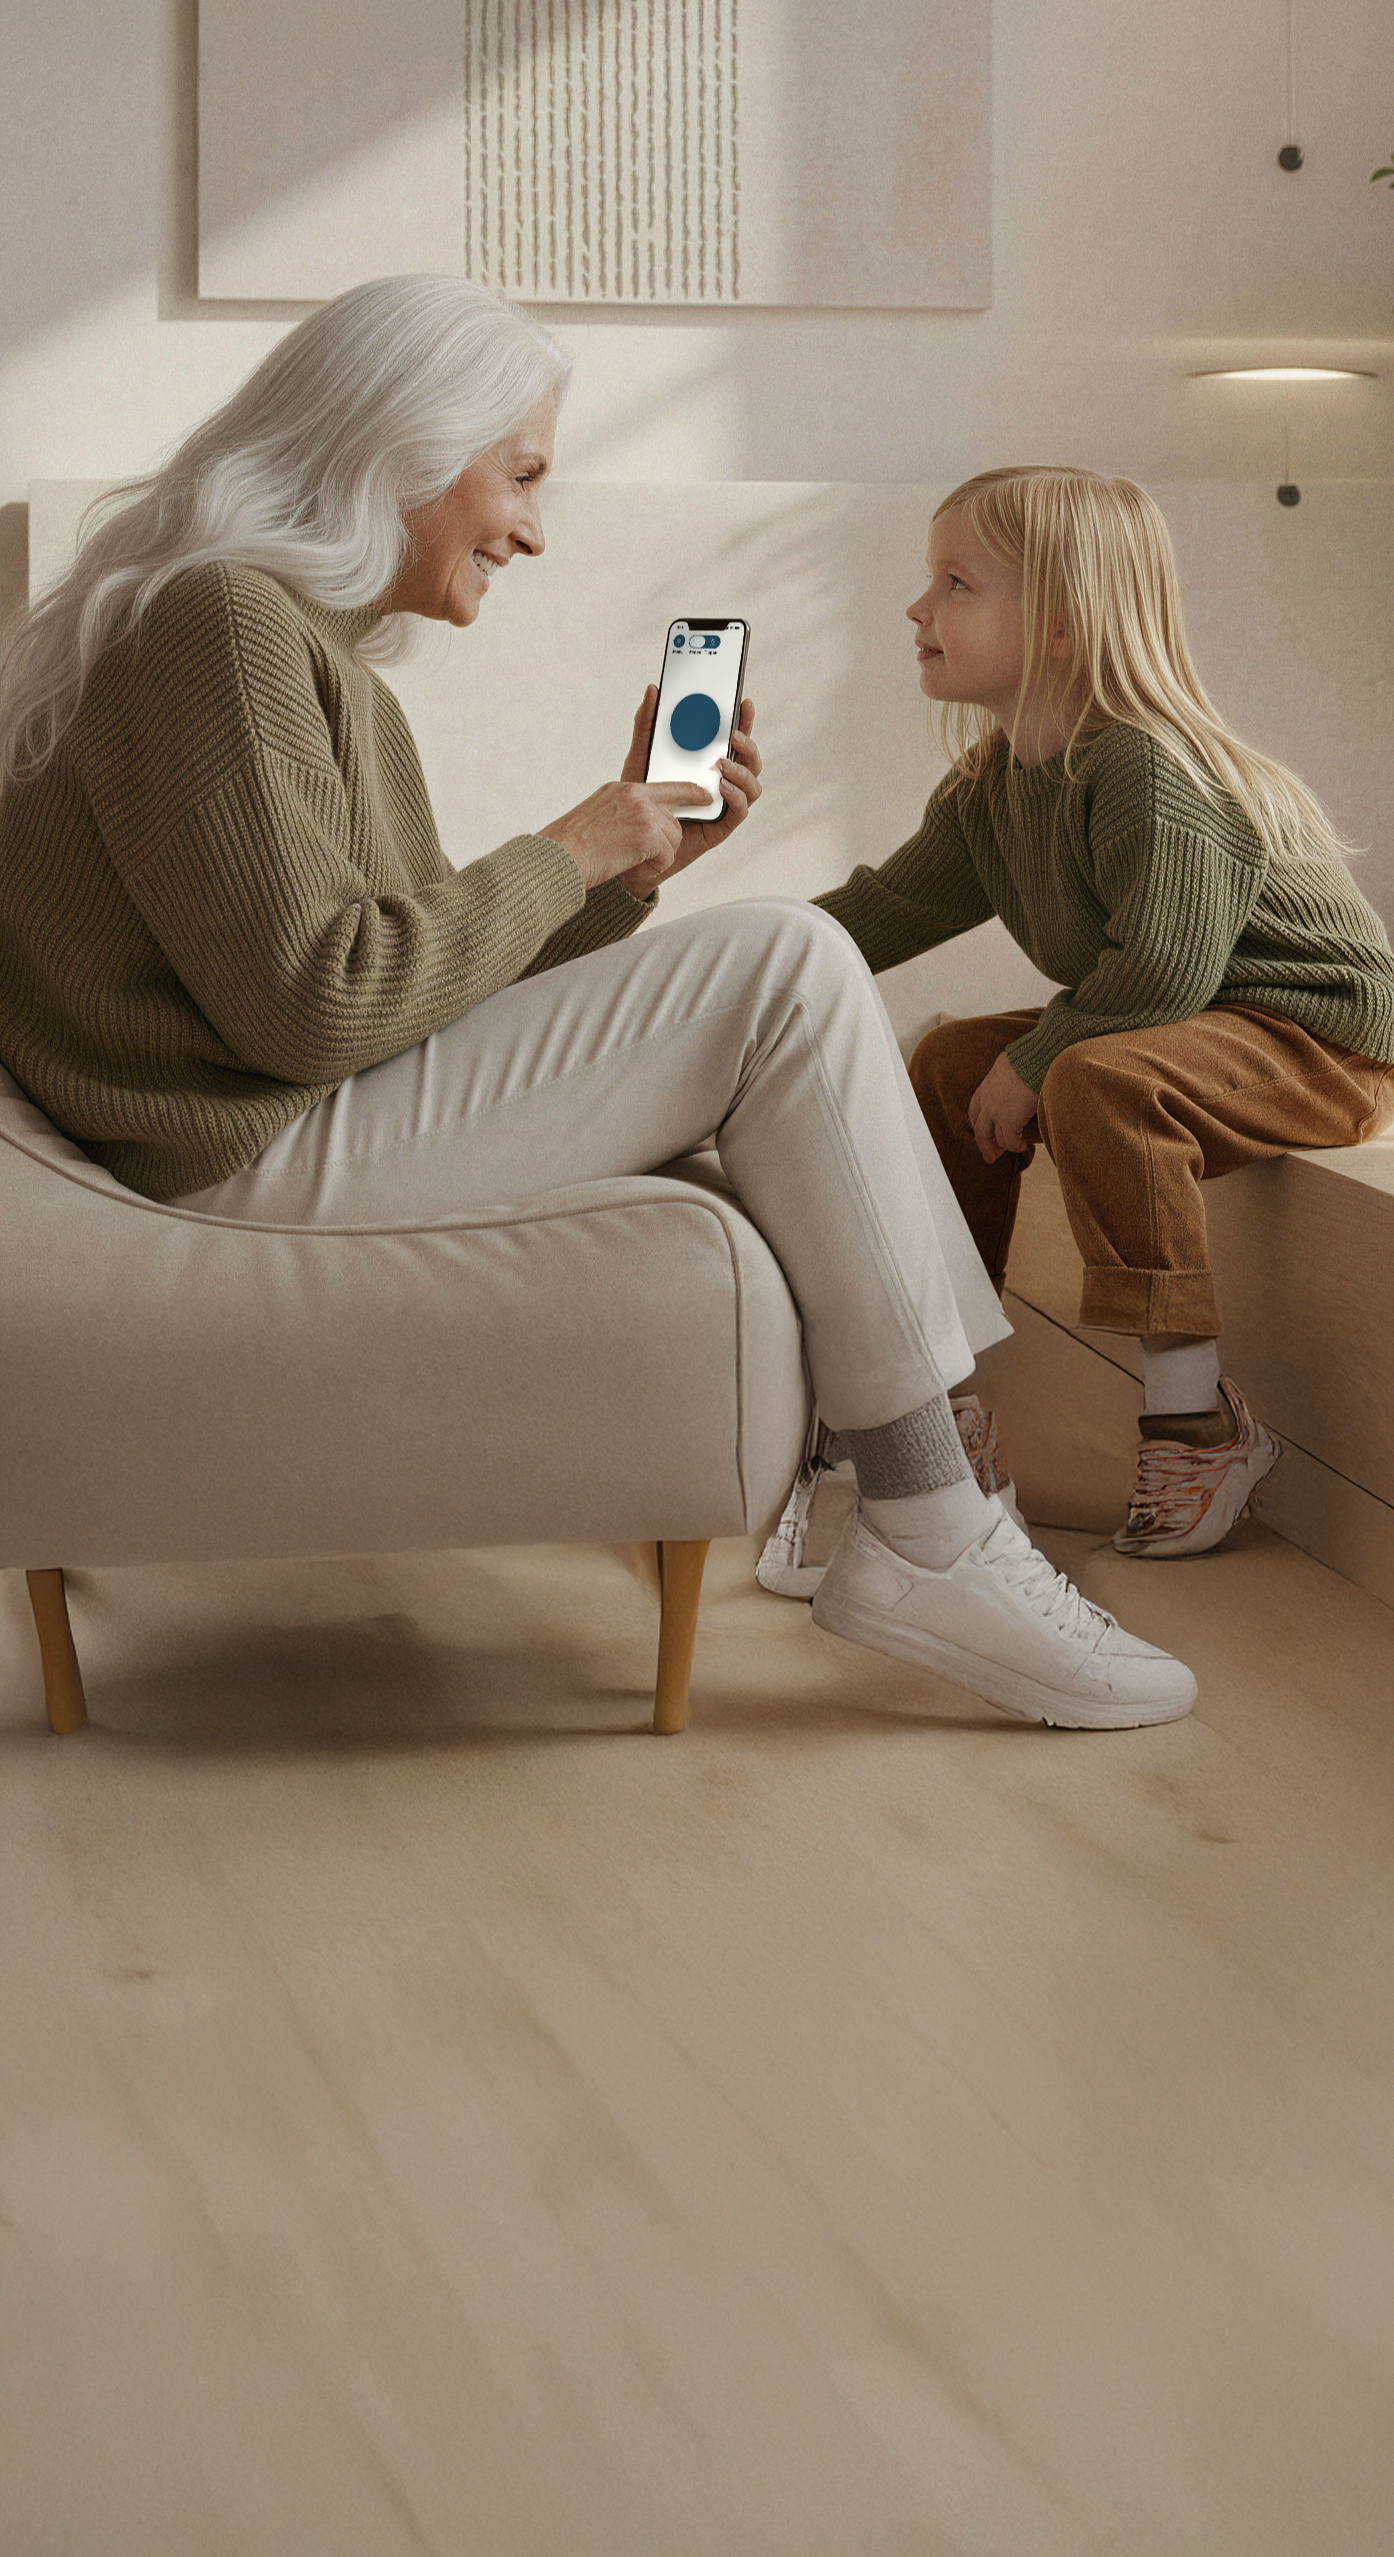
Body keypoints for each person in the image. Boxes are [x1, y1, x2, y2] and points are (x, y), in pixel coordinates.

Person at [0, 280, 1195, 1728]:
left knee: (772, 972)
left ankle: (903, 1495)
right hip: (245, 1147)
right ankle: (927, 1520)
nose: (530, 529)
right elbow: (321, 1007)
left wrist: (628, 877)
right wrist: (569, 845)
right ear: (401, 447)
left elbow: (406, 984)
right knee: (783, 965)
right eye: (517, 476)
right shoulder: (220, 629)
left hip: (275, 1113)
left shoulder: (286, 650)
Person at [805, 466, 1394, 1559]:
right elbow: (877, 911)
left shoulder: (1144, 766)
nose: (914, 608)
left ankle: (1194, 1422)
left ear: (1065, 628)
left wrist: (1041, 1056)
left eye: (953, 582)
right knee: (944, 1062)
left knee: (1092, 1075)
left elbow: (1163, 970)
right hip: (1184, 1016)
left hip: (1312, 1038)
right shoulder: (992, 782)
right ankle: (939, 1403)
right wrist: (714, 969)